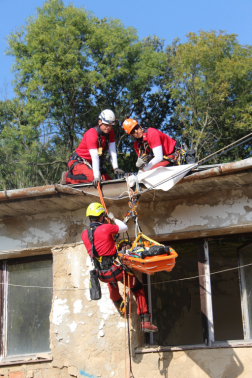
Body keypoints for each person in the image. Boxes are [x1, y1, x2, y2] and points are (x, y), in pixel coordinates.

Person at [82, 202, 158, 332]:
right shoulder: (106, 228)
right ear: (101, 216)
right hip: (116, 271)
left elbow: (101, 246)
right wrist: (112, 219)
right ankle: (145, 321)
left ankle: (120, 306)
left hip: (101, 274)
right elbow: (123, 227)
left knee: (112, 283)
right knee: (138, 287)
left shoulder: (85, 234)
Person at [61, 109, 125, 187]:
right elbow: (95, 156)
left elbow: (112, 151)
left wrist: (116, 168)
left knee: (109, 182)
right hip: (78, 162)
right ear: (100, 122)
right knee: (92, 178)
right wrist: (97, 176)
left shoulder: (110, 132)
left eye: (110, 125)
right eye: (106, 124)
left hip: (91, 164)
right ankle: (66, 177)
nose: (108, 127)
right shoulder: (91, 134)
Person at [123, 119, 188, 171]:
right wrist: (139, 165)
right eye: (132, 131)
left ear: (139, 126)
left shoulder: (152, 133)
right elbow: (146, 163)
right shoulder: (137, 145)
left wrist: (143, 170)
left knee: (151, 171)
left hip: (173, 155)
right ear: (131, 135)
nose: (136, 131)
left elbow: (158, 157)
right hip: (162, 160)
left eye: (136, 127)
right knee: (144, 173)